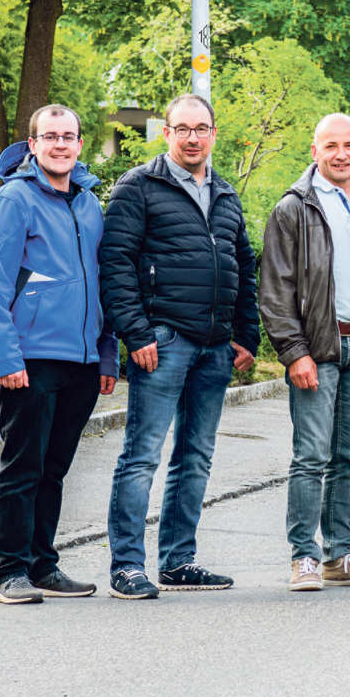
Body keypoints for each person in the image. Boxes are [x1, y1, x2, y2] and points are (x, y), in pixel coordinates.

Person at [100, 93, 259, 600]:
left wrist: (246, 334)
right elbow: (115, 263)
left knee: (195, 457)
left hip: (215, 347)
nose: (193, 138)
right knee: (141, 456)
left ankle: (178, 560)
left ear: (213, 134)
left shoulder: (225, 193)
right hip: (162, 341)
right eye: (183, 129)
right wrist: (136, 332)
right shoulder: (138, 186)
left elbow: (243, 266)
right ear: (166, 133)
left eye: (201, 129)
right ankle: (127, 566)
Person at [0, 104, 117, 604]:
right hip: (29, 359)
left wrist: (106, 354)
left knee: (54, 470)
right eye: (50, 136)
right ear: (32, 145)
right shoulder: (12, 201)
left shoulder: (89, 204)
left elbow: (102, 283)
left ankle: (42, 566)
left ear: (80, 144)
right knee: (23, 468)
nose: (60, 144)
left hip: (82, 362)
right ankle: (9, 572)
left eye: (68, 136)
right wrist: (6, 358)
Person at [259, 113, 350, 592]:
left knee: (349, 457)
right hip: (318, 348)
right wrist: (294, 351)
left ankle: (339, 555)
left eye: (349, 145)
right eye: (331, 145)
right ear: (314, 151)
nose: (341, 154)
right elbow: (275, 290)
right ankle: (304, 556)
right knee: (311, 456)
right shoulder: (294, 208)